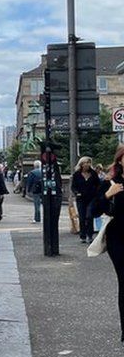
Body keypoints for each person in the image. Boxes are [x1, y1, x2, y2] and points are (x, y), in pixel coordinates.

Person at [94, 144, 124, 342]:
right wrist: (108, 194)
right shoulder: (111, 182)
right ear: (120, 160)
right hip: (119, 238)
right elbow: (93, 210)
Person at [72, 156, 101, 243]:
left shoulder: (93, 174)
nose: (87, 164)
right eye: (85, 163)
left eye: (88, 163)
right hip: (81, 198)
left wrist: (97, 193)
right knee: (82, 217)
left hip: (91, 198)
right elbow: (73, 187)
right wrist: (77, 193)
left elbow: (98, 185)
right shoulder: (76, 175)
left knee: (89, 216)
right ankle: (83, 235)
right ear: (81, 164)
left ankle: (90, 235)